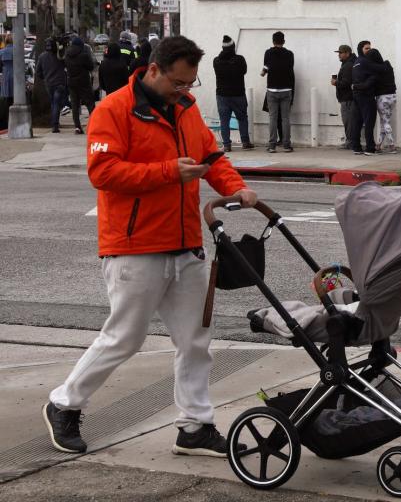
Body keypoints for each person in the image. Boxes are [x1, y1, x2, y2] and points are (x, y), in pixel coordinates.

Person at [43, 35, 259, 457]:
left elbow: (211, 157)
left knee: (196, 339)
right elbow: (103, 173)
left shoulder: (186, 109)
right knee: (124, 337)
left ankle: (195, 425)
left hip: (185, 244)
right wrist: (167, 173)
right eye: (178, 83)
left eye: (190, 84)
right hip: (134, 245)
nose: (184, 91)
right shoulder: (112, 110)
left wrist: (237, 188)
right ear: (154, 69)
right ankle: (64, 403)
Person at [213, 35, 253, 152]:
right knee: (242, 118)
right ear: (233, 47)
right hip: (238, 94)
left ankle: (226, 145)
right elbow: (244, 71)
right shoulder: (240, 60)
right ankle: (245, 142)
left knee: (224, 120)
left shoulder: (216, 61)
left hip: (222, 95)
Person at [260, 31, 295, 153]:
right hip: (286, 89)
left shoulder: (268, 53)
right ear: (283, 41)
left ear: (273, 41)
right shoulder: (290, 54)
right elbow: (290, 69)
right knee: (285, 118)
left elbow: (266, 68)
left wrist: (264, 72)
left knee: (273, 118)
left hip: (272, 90)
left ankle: (272, 146)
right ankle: (286, 145)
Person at [349, 40, 379, 155]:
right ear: (361, 49)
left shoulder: (356, 62)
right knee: (369, 122)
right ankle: (370, 148)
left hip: (357, 95)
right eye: (367, 48)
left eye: (370, 48)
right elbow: (373, 76)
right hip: (366, 95)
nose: (369, 50)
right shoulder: (366, 62)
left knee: (357, 122)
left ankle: (356, 147)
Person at [64, 36, 97, 135]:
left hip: (71, 82)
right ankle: (94, 125)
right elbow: (91, 66)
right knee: (90, 104)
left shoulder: (67, 55)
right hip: (83, 82)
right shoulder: (84, 55)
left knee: (75, 105)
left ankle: (77, 127)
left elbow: (65, 66)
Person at [367, 48, 398, 153]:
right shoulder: (387, 66)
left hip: (382, 97)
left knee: (385, 122)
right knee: (384, 121)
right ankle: (378, 145)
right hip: (392, 96)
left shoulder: (374, 69)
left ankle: (392, 145)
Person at [35, 38, 69, 133]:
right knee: (56, 103)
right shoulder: (59, 56)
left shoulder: (42, 57)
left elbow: (38, 72)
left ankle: (54, 124)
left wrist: (45, 77)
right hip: (59, 83)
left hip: (49, 84)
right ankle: (55, 125)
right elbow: (66, 65)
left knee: (54, 103)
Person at [332, 44, 356, 149]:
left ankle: (350, 142)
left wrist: (336, 82)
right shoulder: (348, 64)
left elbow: (346, 83)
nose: (339, 55)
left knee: (348, 121)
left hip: (347, 98)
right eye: (339, 53)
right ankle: (351, 141)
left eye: (341, 53)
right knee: (350, 121)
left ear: (347, 53)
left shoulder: (347, 66)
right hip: (348, 98)